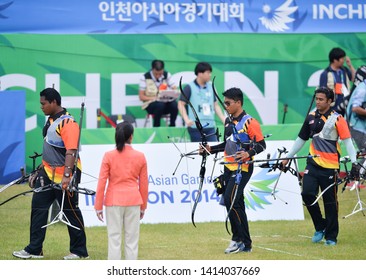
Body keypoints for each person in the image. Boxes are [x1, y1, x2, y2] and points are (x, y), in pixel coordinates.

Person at [12, 88, 89, 260]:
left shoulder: (67, 123)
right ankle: (34, 249)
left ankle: (79, 251)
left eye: (43, 103)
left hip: (66, 175)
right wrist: (40, 169)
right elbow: (50, 149)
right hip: (47, 173)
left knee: (70, 211)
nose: (41, 107)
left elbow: (71, 151)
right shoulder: (51, 121)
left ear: (54, 102)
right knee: (38, 208)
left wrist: (67, 177)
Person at [281, 87, 359, 246]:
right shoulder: (310, 116)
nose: (317, 102)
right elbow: (301, 139)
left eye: (321, 99)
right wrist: (288, 158)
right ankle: (320, 226)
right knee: (307, 194)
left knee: (330, 202)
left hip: (330, 167)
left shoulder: (338, 119)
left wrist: (355, 163)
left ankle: (331, 237)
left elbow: (348, 143)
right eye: (316, 99)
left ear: (330, 101)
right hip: (313, 164)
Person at [202, 87, 266, 254]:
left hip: (243, 169)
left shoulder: (250, 122)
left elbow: (261, 145)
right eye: (224, 103)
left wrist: (248, 153)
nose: (226, 106)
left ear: (238, 102)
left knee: (230, 200)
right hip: (228, 167)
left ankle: (237, 239)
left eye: (228, 103)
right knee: (236, 203)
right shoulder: (228, 121)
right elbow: (226, 145)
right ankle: (246, 243)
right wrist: (210, 149)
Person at [94, 121, 148, 260]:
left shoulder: (108, 155)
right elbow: (144, 184)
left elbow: (102, 181)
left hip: (113, 201)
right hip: (134, 200)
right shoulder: (140, 156)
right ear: (131, 136)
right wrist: (143, 207)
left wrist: (98, 206)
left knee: (114, 239)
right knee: (132, 241)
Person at [178, 62, 225, 142]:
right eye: (208, 73)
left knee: (213, 150)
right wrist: (186, 119)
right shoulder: (189, 87)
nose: (210, 75)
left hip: (210, 126)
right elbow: (180, 104)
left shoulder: (211, 86)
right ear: (200, 73)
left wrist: (224, 120)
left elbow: (215, 105)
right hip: (196, 127)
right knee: (200, 151)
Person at [139, 59, 178, 127]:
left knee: (174, 105)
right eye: (156, 74)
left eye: (160, 74)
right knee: (160, 105)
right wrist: (155, 98)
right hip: (151, 105)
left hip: (166, 103)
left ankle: (172, 126)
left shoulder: (167, 75)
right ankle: (156, 127)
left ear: (163, 70)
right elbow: (141, 97)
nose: (158, 76)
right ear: (152, 69)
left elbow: (175, 89)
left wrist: (170, 93)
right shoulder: (145, 77)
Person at [319, 47, 356, 116]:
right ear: (335, 60)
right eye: (342, 58)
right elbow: (322, 93)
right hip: (333, 108)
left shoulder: (344, 70)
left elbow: (355, 79)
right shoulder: (325, 74)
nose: (343, 60)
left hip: (346, 106)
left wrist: (350, 66)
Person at [347, 66, 366, 154]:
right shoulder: (363, 89)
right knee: (364, 155)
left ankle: (357, 167)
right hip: (357, 127)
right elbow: (355, 108)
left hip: (361, 127)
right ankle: (357, 168)